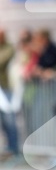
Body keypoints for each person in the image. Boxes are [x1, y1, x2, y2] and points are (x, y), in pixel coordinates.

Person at [0, 28, 20, 157]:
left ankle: (14, 148)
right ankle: (8, 147)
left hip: (7, 88)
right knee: (3, 120)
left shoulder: (9, 48)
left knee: (9, 119)